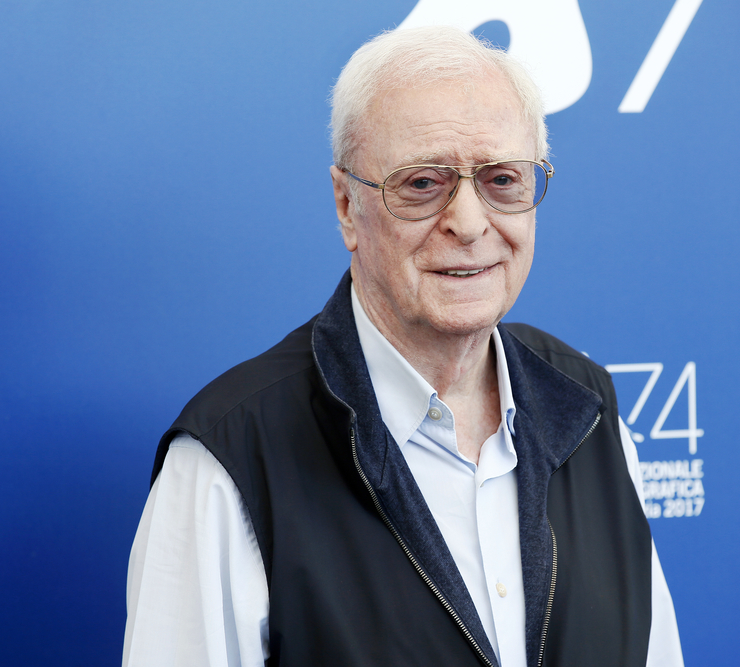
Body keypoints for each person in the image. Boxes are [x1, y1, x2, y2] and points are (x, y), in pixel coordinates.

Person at [123, 26, 684, 667]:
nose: (470, 223)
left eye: (503, 179)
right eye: (422, 184)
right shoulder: (232, 460)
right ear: (345, 205)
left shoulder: (590, 412)